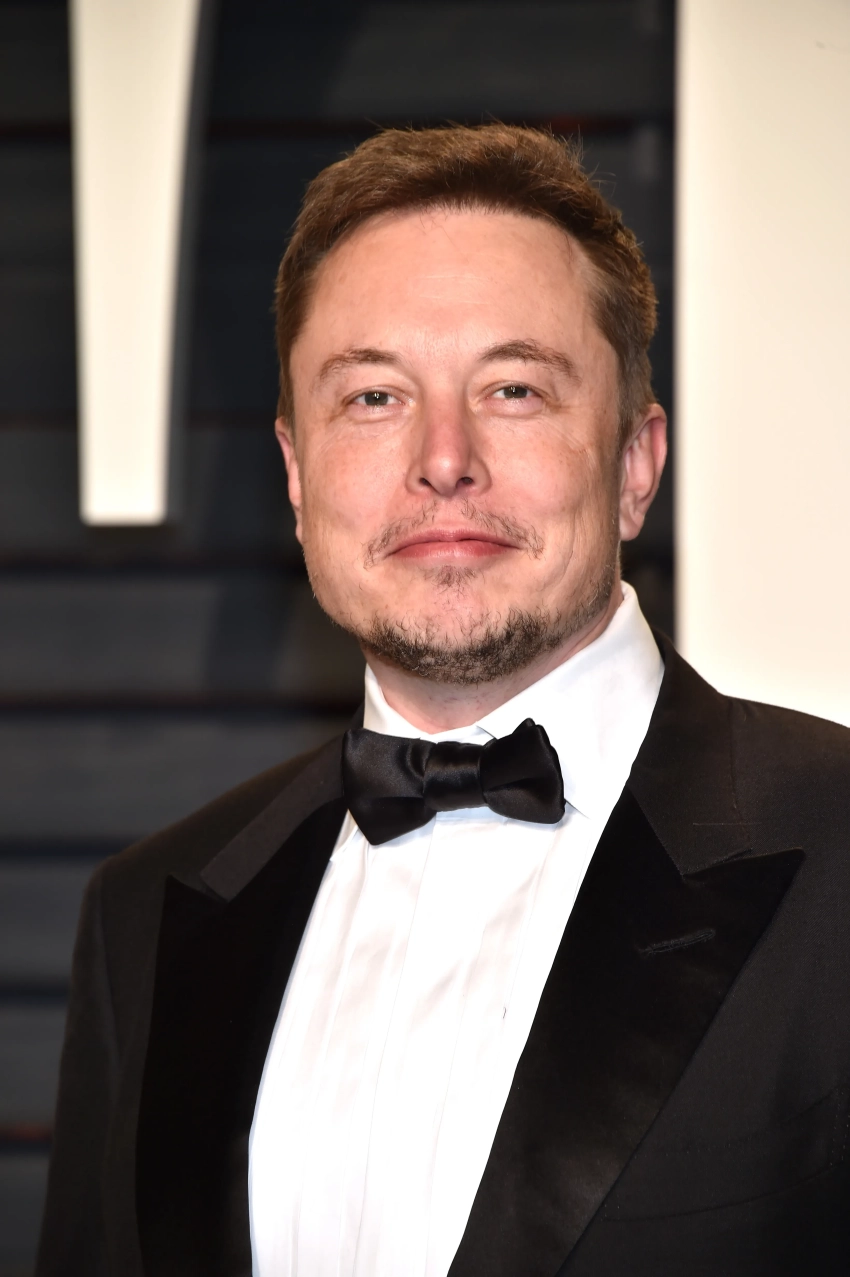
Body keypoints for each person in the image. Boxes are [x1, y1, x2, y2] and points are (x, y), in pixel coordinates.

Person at [37, 124, 850, 1277]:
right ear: (296, 475)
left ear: (634, 463)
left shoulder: (836, 847)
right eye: (374, 396)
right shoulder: (143, 914)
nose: (443, 457)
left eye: (513, 388)